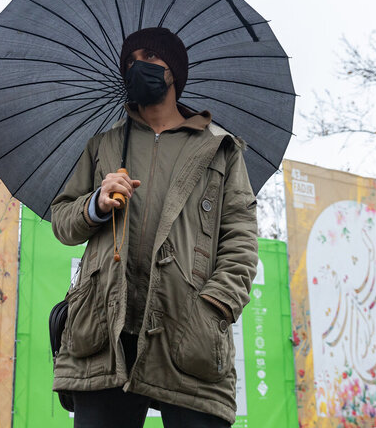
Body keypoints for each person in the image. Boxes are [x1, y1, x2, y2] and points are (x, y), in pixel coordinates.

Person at [51, 27, 258, 427]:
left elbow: (241, 239)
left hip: (188, 332)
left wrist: (214, 306)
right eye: (130, 61)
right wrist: (95, 203)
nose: (136, 66)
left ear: (173, 70)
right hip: (105, 332)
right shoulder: (104, 144)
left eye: (148, 57)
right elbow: (63, 221)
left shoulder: (221, 148)